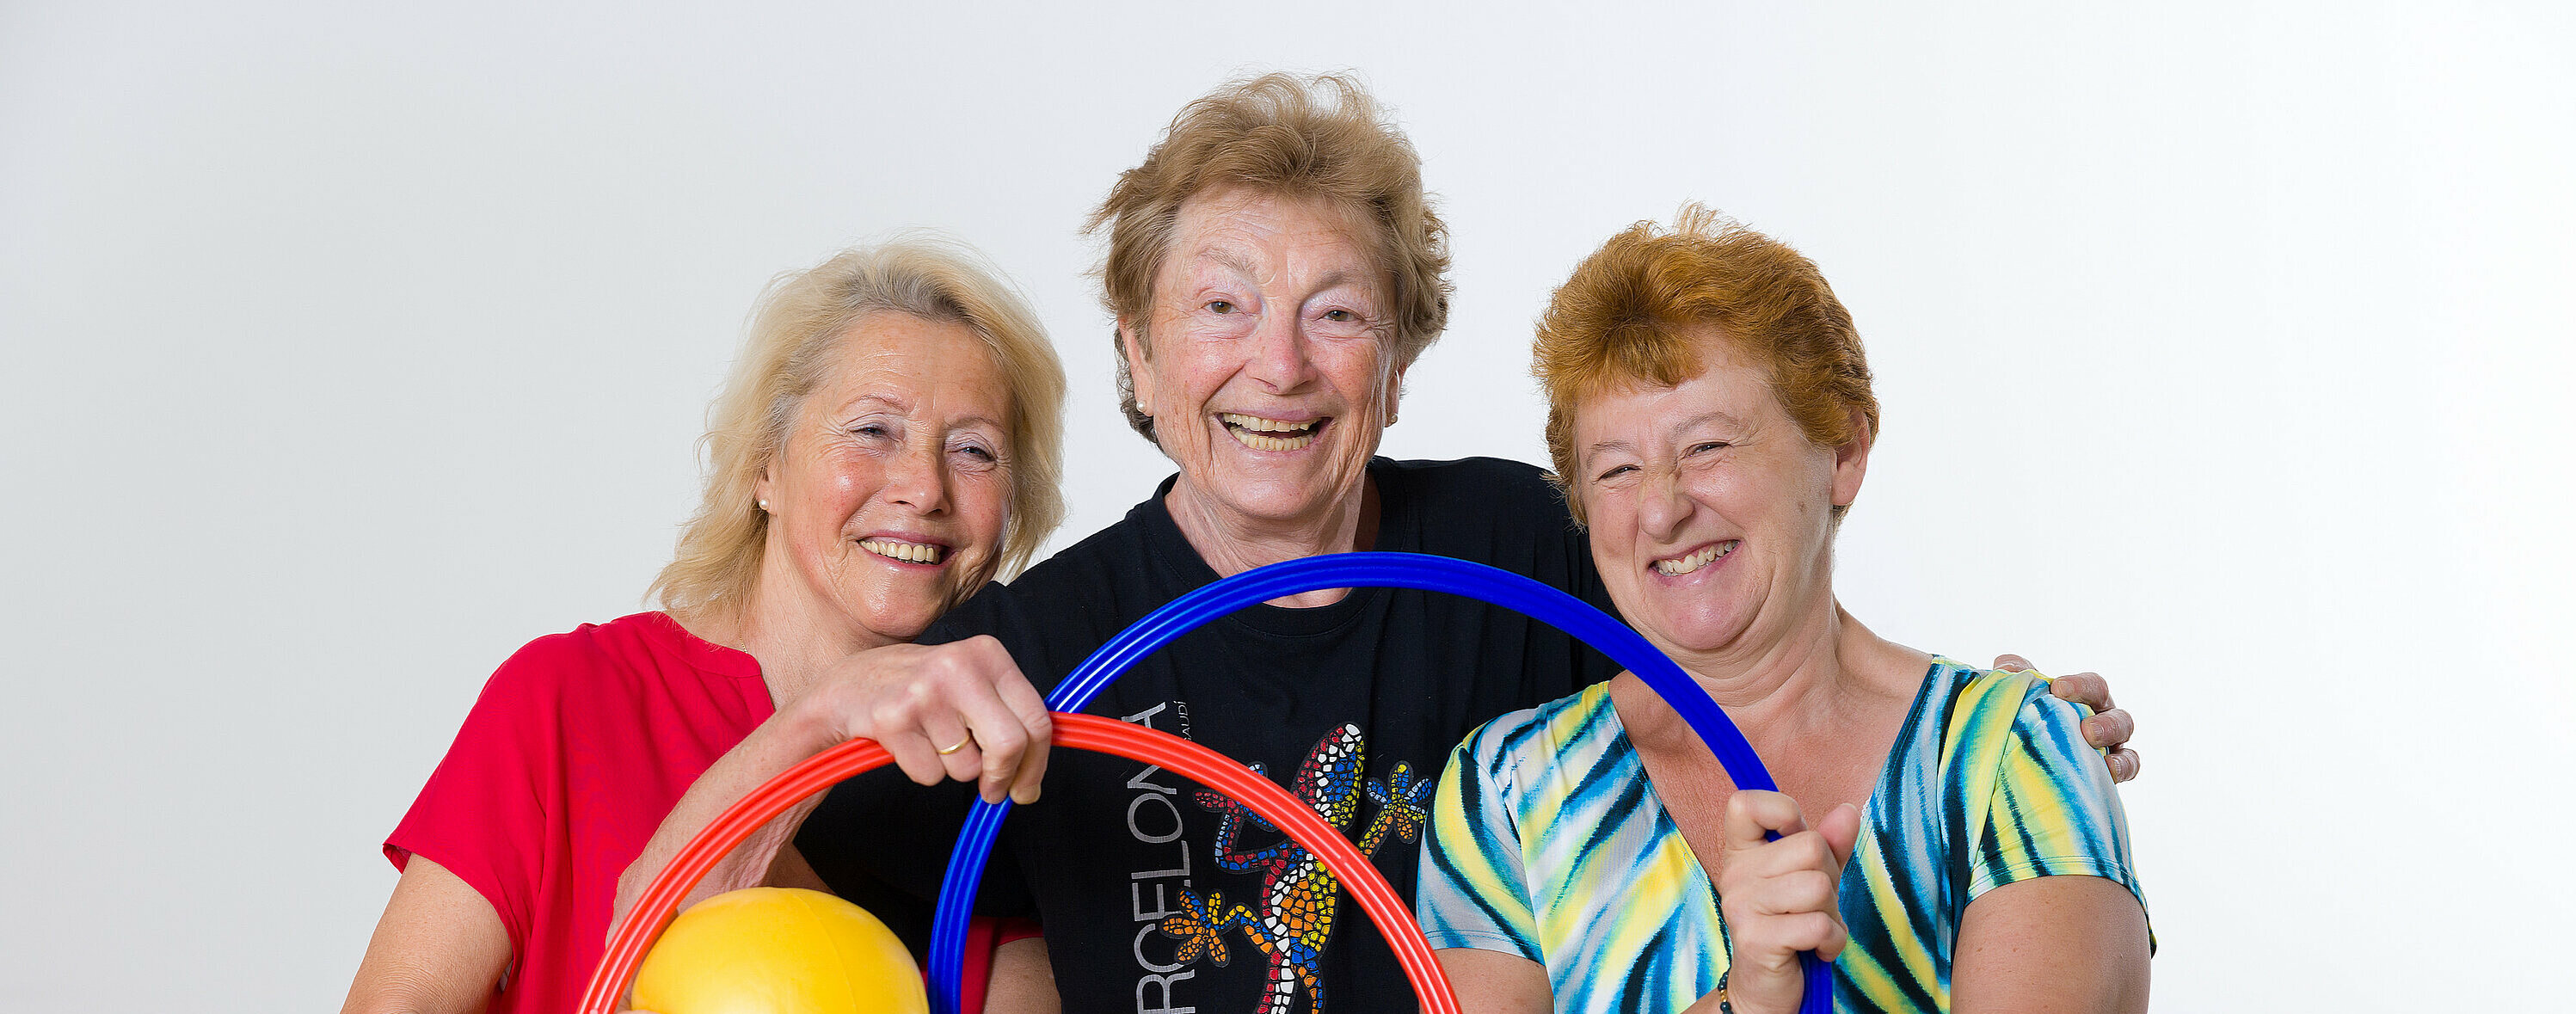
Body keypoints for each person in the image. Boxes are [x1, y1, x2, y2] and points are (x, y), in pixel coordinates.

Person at [622, 73, 2141, 1014]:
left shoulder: (1523, 539)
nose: (1276, 365)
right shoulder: (1036, 649)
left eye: (1335, 312)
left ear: (1397, 364)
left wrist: (1988, 731)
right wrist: (832, 710)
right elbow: (673, 926)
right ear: (1140, 363)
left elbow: (1747, 605)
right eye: (1220, 307)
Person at [1416, 208, 2153, 1013]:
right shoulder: (1507, 788)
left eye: (1706, 446)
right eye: (1616, 468)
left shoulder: (2017, 754)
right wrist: (1747, 1002)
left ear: (1842, 452)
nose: (1660, 511)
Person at [339, 237, 1068, 1014]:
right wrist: (818, 721)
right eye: (872, 430)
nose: (924, 487)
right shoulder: (571, 696)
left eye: (973, 450)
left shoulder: (1003, 778)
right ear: (764, 466)